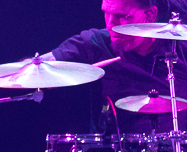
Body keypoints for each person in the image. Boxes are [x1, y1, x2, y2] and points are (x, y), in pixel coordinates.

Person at [48, 0, 187, 132]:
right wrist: (38, 70)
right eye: (106, 13)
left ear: (150, 15)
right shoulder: (96, 43)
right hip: (113, 148)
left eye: (122, 16)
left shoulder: (179, 48)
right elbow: (41, 64)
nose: (110, 24)